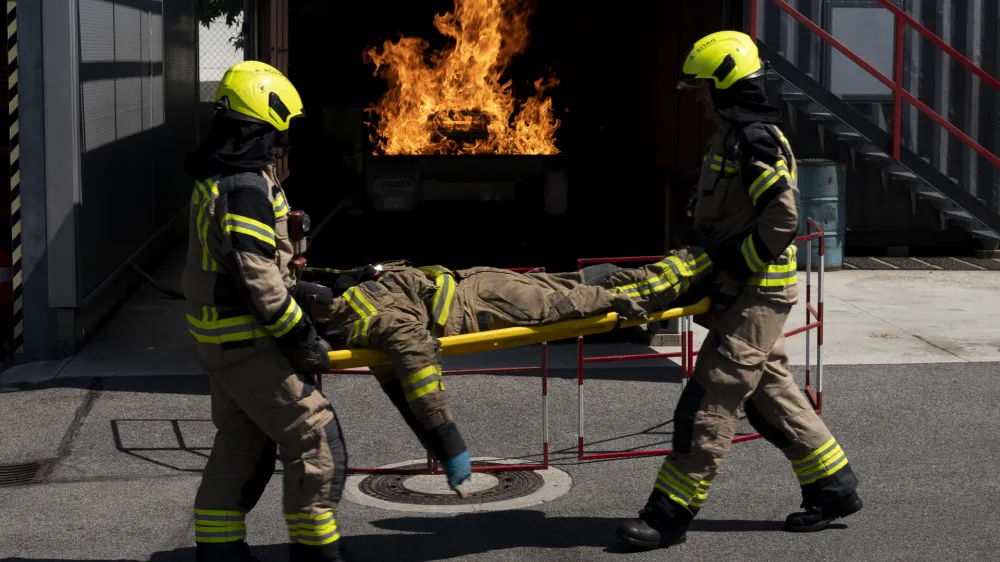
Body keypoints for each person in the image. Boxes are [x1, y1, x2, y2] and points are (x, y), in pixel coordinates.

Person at [614, 31, 863, 551]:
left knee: (711, 399)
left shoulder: (755, 139)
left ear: (727, 83)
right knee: (771, 392)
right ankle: (833, 487)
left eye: (703, 87)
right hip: (745, 293)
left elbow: (783, 217)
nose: (698, 96)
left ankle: (667, 516)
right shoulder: (732, 133)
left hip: (756, 296)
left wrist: (735, 265)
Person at [299, 247, 714, 489]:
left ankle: (685, 268)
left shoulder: (358, 320)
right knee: (581, 286)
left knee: (601, 302)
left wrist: (449, 442)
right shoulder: (352, 295)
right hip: (482, 286)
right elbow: (398, 381)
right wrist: (434, 442)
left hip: (483, 306)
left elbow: (414, 355)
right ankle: (689, 267)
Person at [181, 61, 351, 562]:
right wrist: (304, 339)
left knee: (241, 440)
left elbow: (259, 267)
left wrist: (315, 283)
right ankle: (318, 555)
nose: (285, 145)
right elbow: (259, 282)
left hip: (223, 340)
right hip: (248, 341)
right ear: (262, 128)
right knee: (315, 439)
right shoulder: (244, 189)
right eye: (281, 133)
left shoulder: (225, 177)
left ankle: (219, 551)